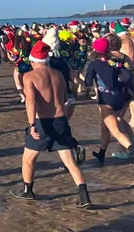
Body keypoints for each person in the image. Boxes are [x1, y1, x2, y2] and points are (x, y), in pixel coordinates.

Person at [9, 42, 93, 209]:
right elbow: (64, 99)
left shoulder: (29, 76)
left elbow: (31, 101)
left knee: (28, 159)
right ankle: (84, 197)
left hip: (42, 122)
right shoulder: (58, 74)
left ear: (33, 61)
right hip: (60, 120)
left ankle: (28, 191)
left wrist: (31, 124)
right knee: (69, 161)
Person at [85, 38, 134, 167]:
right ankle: (101, 153)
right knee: (105, 126)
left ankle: (132, 150)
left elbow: (88, 83)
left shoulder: (94, 64)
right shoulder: (116, 62)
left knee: (115, 130)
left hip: (106, 100)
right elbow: (128, 76)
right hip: (119, 99)